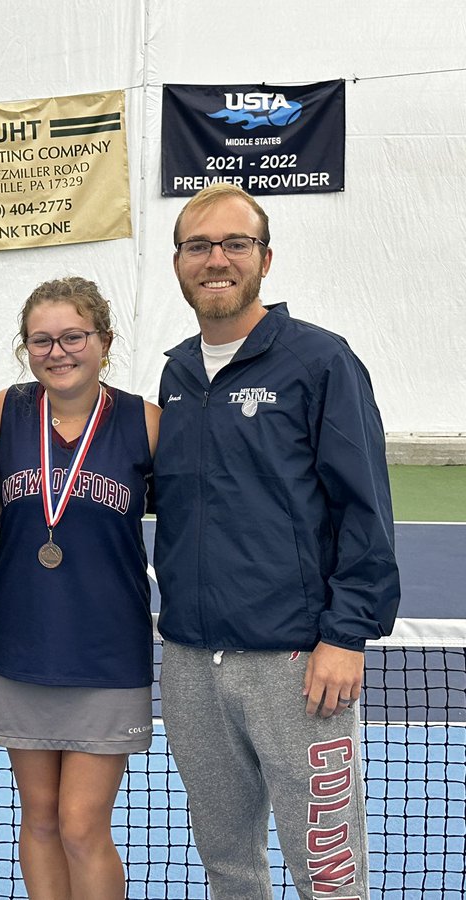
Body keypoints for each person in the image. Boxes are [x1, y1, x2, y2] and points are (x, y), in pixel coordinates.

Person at [153, 183, 401, 899]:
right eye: (199, 245)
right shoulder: (177, 373)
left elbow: (365, 510)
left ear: (265, 258)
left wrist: (346, 635)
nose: (217, 259)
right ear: (179, 262)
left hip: (297, 664)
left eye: (235, 243)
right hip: (192, 664)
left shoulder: (321, 362)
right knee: (228, 866)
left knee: (327, 873)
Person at [0, 277, 158, 899]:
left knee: (82, 825)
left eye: (73, 337)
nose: (58, 352)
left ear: (104, 340)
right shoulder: (7, 410)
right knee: (42, 819)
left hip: (107, 650)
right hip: (22, 643)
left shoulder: (144, 421)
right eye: (41, 340)